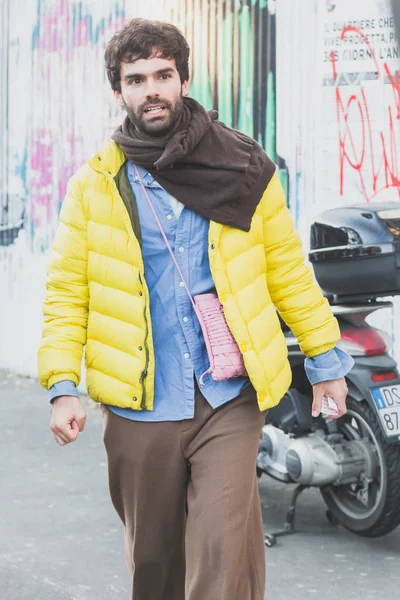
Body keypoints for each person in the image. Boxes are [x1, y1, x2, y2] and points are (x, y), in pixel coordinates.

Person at [38, 18, 354, 600]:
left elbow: (286, 271)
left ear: (184, 80)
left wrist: (326, 362)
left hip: (226, 396)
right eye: (137, 79)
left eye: (163, 74)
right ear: (119, 92)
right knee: (155, 566)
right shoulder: (96, 187)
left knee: (222, 554)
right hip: (140, 405)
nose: (151, 88)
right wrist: (62, 384)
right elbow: (67, 292)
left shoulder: (244, 169)